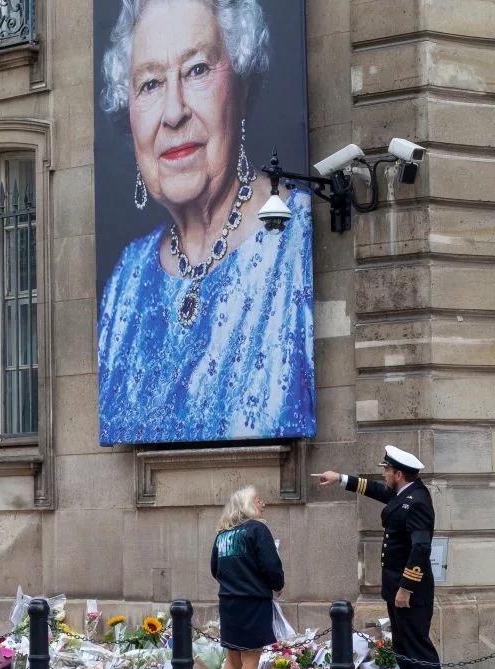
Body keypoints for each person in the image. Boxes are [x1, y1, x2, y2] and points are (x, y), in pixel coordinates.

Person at [96, 0, 315, 445]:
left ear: (241, 86)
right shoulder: (126, 278)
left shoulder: (298, 236)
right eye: (151, 83)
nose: (173, 112)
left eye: (196, 70)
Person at [313, 446, 440, 669]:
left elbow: (421, 547)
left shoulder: (417, 500)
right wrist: (339, 478)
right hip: (397, 588)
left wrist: (406, 588)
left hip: (410, 592)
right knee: (403, 648)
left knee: (418, 651)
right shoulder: (404, 493)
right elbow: (373, 490)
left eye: (387, 470)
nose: (384, 474)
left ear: (398, 474)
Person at [210, 486, 284, 669]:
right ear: (247, 504)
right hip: (253, 603)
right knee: (251, 660)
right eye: (258, 500)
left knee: (233, 660)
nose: (263, 504)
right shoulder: (257, 529)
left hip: (228, 603)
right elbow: (271, 565)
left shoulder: (222, 535)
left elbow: (215, 569)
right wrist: (277, 585)